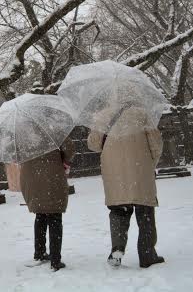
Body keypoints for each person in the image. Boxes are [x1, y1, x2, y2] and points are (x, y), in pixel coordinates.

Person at [88, 104, 165, 268]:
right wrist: (151, 163)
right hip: (140, 169)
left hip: (114, 171)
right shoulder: (142, 113)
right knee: (145, 212)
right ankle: (147, 254)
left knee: (118, 210)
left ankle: (117, 249)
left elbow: (93, 145)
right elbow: (156, 144)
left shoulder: (102, 115)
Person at [20, 136, 75, 271]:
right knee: (54, 216)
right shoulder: (53, 128)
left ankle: (39, 254)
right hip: (52, 176)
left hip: (31, 177)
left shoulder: (23, 132)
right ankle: (55, 260)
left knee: (40, 215)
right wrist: (64, 161)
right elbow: (70, 149)